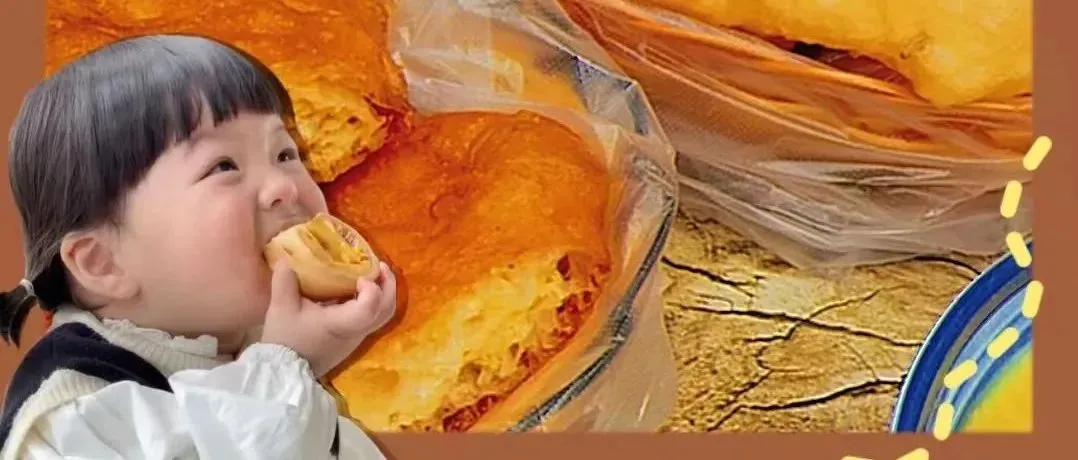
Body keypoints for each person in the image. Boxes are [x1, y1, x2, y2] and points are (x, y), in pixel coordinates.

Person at [0, 34, 396, 460]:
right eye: (223, 165)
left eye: (286, 153)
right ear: (104, 263)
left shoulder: (243, 346)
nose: (284, 186)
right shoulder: (75, 419)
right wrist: (288, 365)